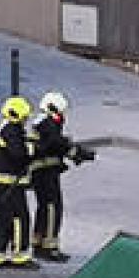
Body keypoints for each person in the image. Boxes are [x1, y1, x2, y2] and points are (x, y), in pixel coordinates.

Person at [28, 92, 95, 262]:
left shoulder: (42, 123)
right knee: (52, 208)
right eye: (61, 111)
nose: (63, 115)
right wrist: (77, 152)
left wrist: (73, 151)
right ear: (53, 108)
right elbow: (56, 144)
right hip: (45, 172)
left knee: (44, 208)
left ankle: (38, 243)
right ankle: (49, 248)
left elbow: (53, 143)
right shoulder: (49, 124)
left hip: (41, 171)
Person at [0, 96, 37, 269]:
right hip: (8, 183)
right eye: (25, 117)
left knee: (3, 217)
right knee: (20, 217)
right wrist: (33, 151)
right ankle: (20, 257)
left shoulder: (6, 128)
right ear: (17, 115)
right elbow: (19, 155)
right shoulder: (12, 131)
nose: (26, 120)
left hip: (0, 181)